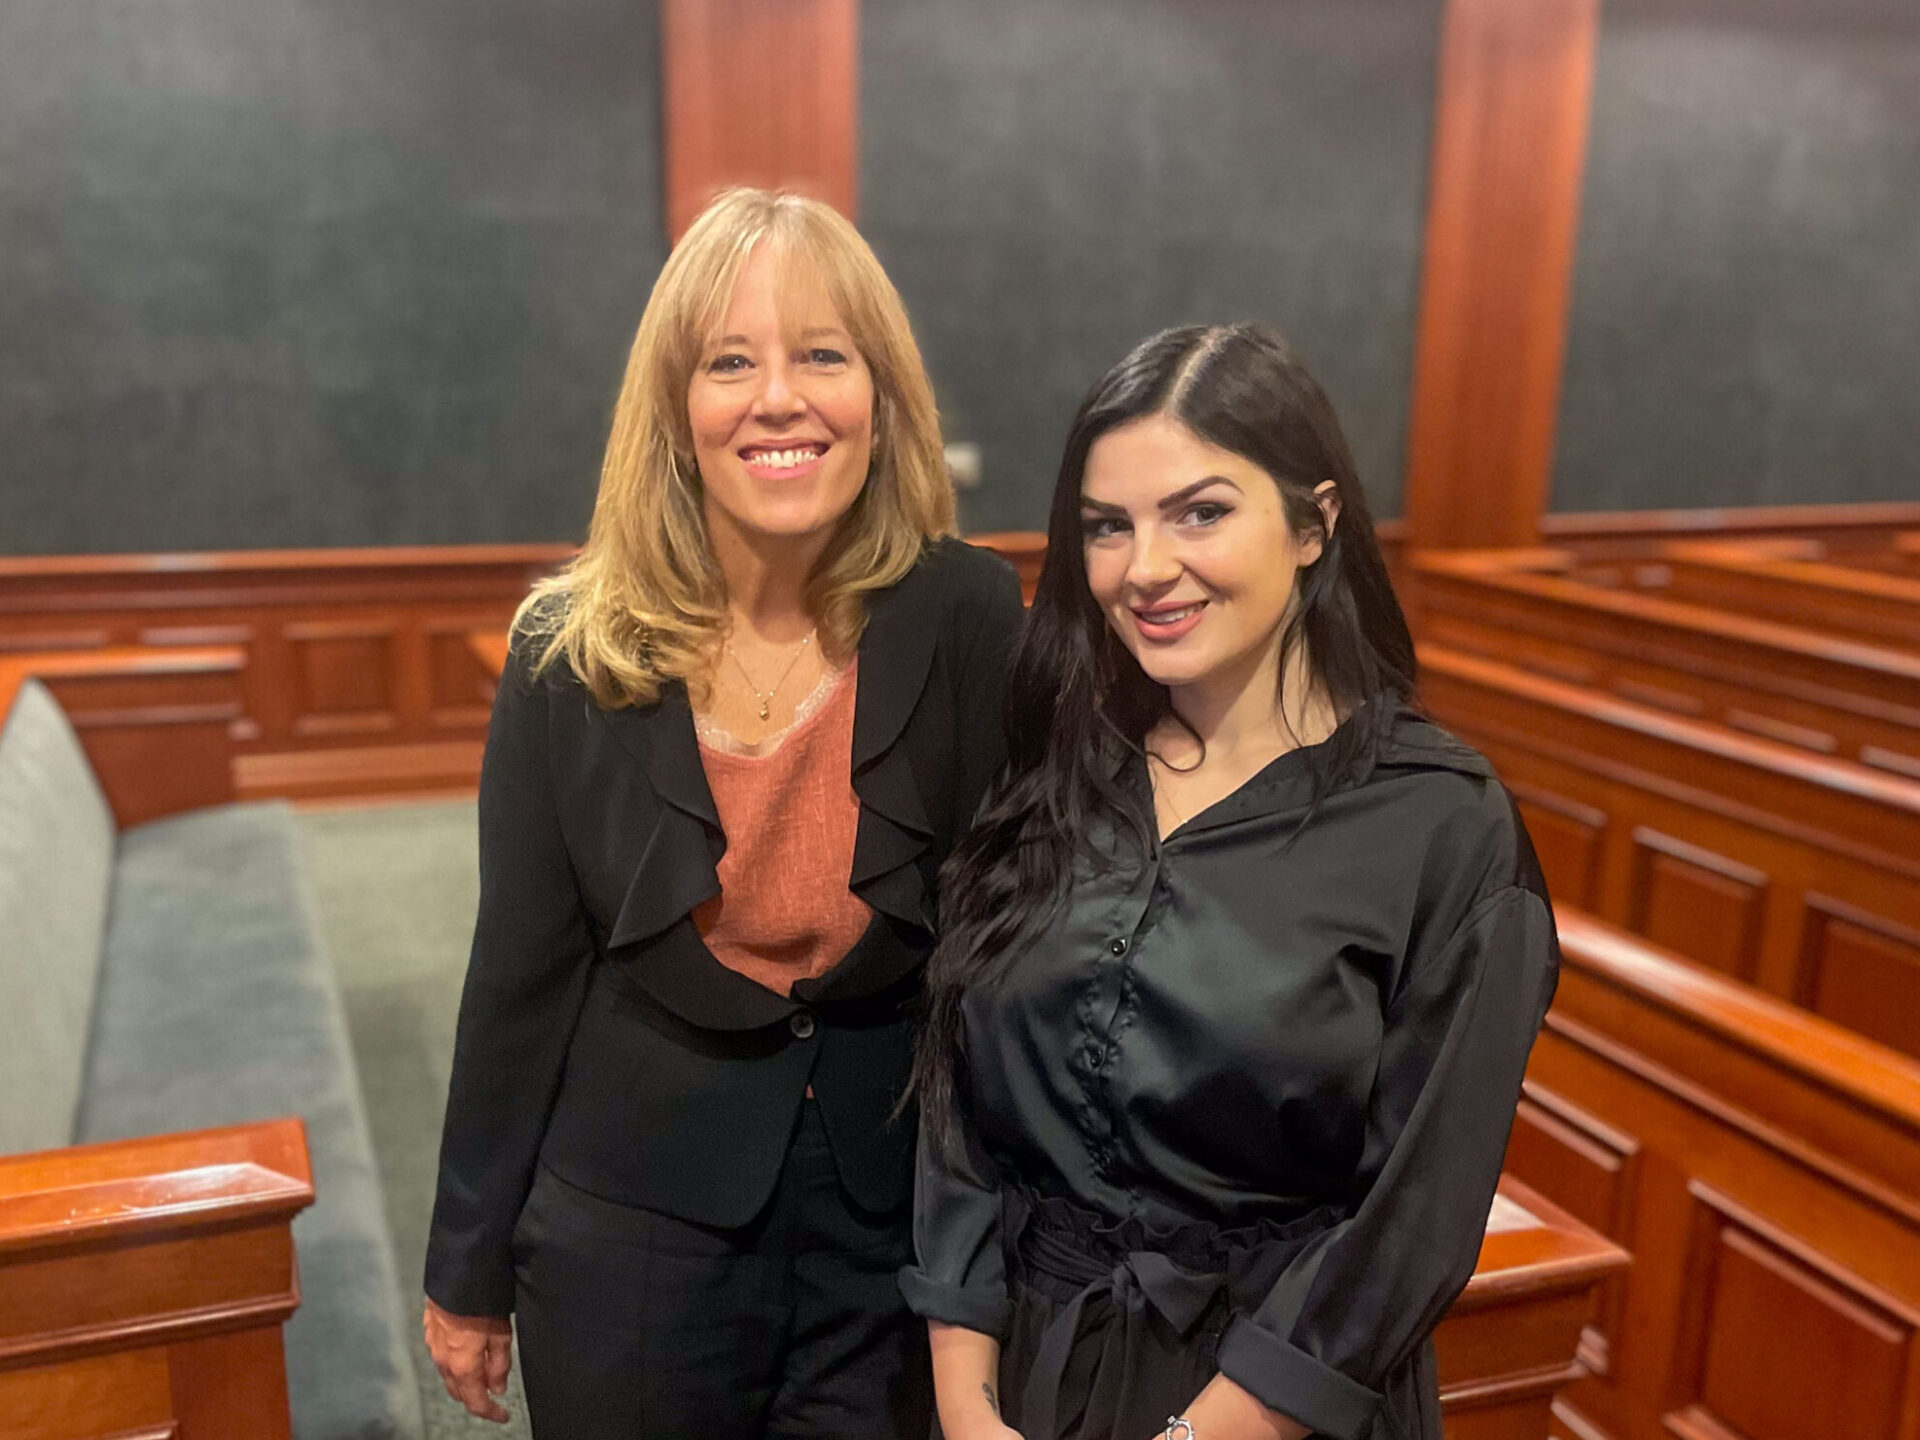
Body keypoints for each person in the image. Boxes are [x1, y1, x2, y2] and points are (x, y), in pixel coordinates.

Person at [422, 187, 1025, 1438]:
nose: (780, 398)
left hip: (890, 1229)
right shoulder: (565, 650)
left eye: (823, 355)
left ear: (881, 396)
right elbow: (518, 977)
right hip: (629, 1229)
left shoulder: (967, 615)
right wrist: (465, 1271)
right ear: (675, 410)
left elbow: (1011, 948)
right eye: (731, 361)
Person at [903, 323, 1560, 1440]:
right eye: (1108, 527)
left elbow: (1413, 1215)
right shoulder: (1059, 771)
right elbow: (960, 1112)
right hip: (1027, 1378)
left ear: (1316, 524)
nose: (1145, 568)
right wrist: (967, 1404)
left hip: (1278, 1397)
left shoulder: (1443, 826)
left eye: (1200, 511)